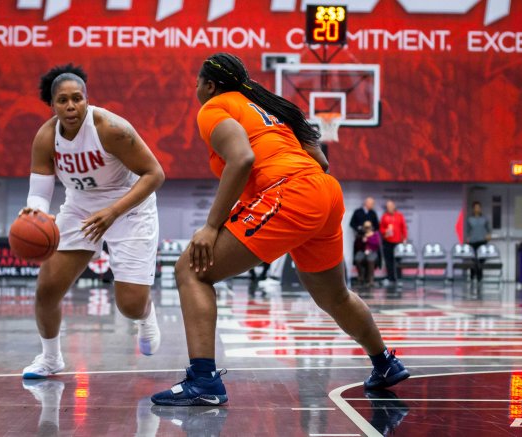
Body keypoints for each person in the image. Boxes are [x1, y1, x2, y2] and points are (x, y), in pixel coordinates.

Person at [150, 53, 408, 406]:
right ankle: (385, 364)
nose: (197, 89)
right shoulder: (272, 109)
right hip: (324, 191)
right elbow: (321, 161)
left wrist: (212, 226)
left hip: (290, 192)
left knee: (191, 271)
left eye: (197, 83)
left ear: (209, 85)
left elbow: (242, 159)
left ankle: (203, 380)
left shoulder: (214, 107)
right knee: (334, 296)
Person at [20, 64, 165, 378]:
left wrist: (113, 212)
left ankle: (145, 315)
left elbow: (155, 174)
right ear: (52, 104)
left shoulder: (111, 128)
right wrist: (34, 211)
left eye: (78, 98)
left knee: (129, 304)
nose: (72, 106)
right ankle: (50, 359)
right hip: (80, 209)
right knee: (47, 289)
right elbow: (40, 193)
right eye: (63, 100)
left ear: (86, 100)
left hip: (129, 206)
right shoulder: (46, 137)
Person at [379, 200, 407, 283]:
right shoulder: (384, 216)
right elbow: (381, 228)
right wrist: (385, 232)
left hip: (397, 242)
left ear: (394, 206)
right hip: (387, 242)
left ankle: (399, 278)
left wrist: (404, 238)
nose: (389, 208)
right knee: (389, 261)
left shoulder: (399, 216)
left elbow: (403, 228)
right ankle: (390, 278)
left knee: (398, 261)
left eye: (390, 206)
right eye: (388, 207)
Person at [466, 201, 491, 282]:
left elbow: (489, 229)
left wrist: (488, 235)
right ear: (473, 209)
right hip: (473, 242)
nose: (477, 209)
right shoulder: (469, 219)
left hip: (482, 241)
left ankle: (480, 276)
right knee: (474, 260)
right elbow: (467, 230)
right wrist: (467, 238)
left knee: (481, 260)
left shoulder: (484, 219)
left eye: (479, 207)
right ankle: (473, 275)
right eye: (476, 207)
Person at [353, 221, 381, 286]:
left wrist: (368, 239)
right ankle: (361, 277)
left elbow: (376, 244)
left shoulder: (375, 234)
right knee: (357, 258)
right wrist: (361, 240)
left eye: (368, 227)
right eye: (365, 227)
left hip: (372, 251)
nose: (367, 228)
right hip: (363, 251)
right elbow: (357, 246)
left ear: (371, 227)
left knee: (370, 260)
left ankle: (370, 279)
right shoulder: (361, 234)